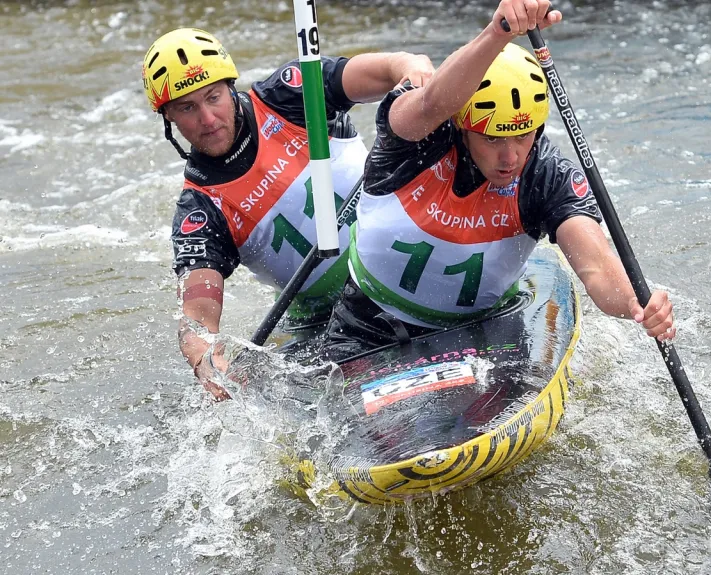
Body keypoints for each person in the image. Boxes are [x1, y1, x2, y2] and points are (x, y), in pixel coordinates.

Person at [325, 0, 675, 356]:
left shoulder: (546, 175)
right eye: (492, 138)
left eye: (522, 136)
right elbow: (433, 103)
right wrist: (498, 32)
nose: (510, 157)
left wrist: (637, 303)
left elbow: (597, 267)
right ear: (463, 127)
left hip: (482, 332)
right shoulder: (416, 139)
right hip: (366, 325)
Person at [142, 27, 434, 399]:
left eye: (213, 97)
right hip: (328, 320)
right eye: (187, 108)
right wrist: (208, 361)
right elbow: (197, 322)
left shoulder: (290, 95)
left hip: (409, 265)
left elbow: (388, 70)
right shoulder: (200, 211)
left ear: (231, 88)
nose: (207, 118)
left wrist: (411, 67)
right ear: (169, 119)